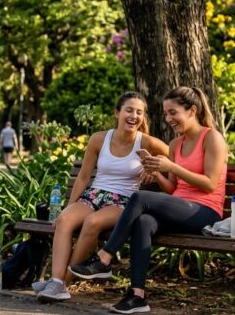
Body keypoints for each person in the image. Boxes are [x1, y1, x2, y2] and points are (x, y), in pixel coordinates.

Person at [69, 86, 227, 314]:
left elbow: (210, 183)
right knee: (143, 222)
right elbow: (174, 189)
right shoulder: (175, 144)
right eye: (165, 114)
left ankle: (104, 257)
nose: (168, 119)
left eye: (173, 113)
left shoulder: (211, 138)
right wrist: (156, 173)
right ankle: (137, 295)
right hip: (182, 207)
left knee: (139, 198)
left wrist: (171, 166)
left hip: (205, 211)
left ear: (192, 110)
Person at [34, 92, 168, 302]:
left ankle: (63, 283)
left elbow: (176, 158)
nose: (134, 116)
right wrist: (69, 206)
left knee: (92, 222)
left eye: (139, 112)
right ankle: (56, 282)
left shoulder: (147, 142)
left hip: (124, 202)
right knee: (64, 219)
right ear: (117, 113)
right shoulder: (99, 138)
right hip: (94, 195)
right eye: (129, 110)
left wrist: (155, 166)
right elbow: (84, 176)